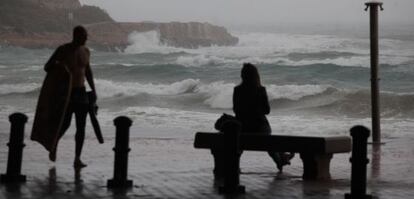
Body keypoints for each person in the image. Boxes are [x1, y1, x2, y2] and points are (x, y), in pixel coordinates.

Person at [45, 26, 97, 168]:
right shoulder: (63, 50)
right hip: (66, 93)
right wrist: (60, 66)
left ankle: (77, 158)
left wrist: (94, 90)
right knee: (65, 123)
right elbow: (47, 66)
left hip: (81, 92)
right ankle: (54, 144)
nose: (87, 38)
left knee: (81, 127)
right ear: (76, 35)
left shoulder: (86, 51)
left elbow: (88, 71)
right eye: (84, 35)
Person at [233, 63, 293, 172]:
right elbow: (267, 110)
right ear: (256, 76)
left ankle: (234, 164)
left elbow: (236, 111)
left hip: (242, 129)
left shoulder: (237, 90)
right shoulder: (260, 90)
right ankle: (280, 159)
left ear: (242, 75)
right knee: (268, 140)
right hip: (259, 128)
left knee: (239, 142)